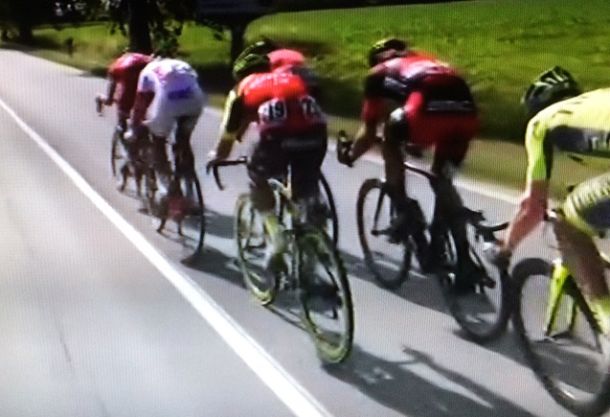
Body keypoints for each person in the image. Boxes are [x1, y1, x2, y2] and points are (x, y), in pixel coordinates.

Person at [337, 38, 481, 290]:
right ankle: (463, 259)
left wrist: (350, 155)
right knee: (442, 180)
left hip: (424, 112)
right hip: (466, 114)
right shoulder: (429, 61)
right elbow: (437, 97)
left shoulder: (377, 73)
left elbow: (369, 132)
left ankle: (403, 209)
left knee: (390, 138)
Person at [487, 66, 610, 334]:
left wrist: (505, 248)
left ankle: (608, 323)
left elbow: (533, 207)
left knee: (567, 223)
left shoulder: (541, 122)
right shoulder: (594, 102)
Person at [207, 53, 328, 271]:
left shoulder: (243, 89)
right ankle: (313, 222)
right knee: (304, 187)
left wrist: (218, 158)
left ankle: (275, 235)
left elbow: (228, 137)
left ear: (240, 77)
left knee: (258, 177)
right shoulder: (290, 77)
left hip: (277, 137)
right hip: (316, 132)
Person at [129, 53, 206, 189]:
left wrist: (134, 126)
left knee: (158, 140)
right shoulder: (183, 65)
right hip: (195, 100)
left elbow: (140, 103)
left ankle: (168, 186)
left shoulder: (147, 70)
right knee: (183, 139)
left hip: (168, 102)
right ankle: (188, 174)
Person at [97, 51, 153, 131]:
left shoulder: (148, 66)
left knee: (137, 104)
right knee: (111, 101)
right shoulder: (120, 69)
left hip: (135, 70)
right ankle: (99, 98)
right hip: (120, 72)